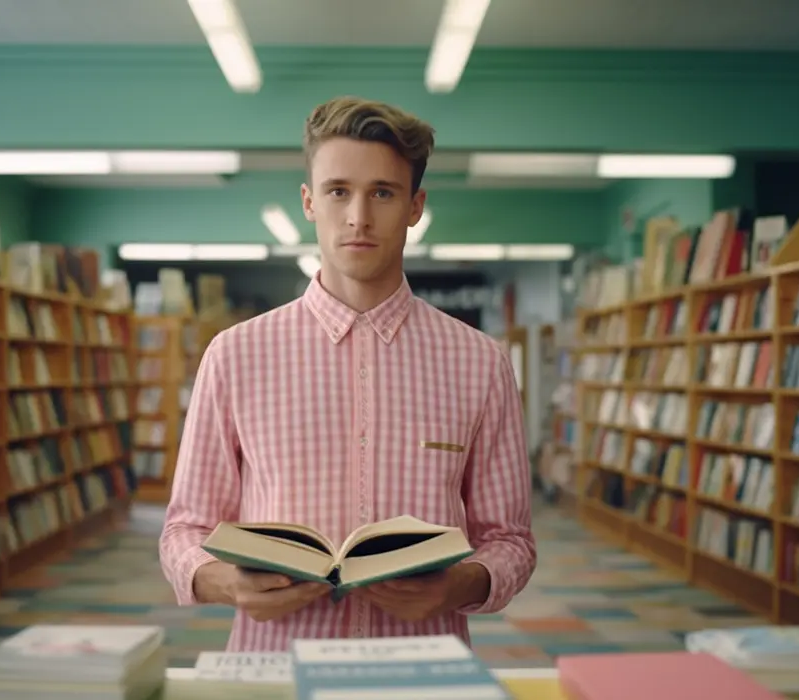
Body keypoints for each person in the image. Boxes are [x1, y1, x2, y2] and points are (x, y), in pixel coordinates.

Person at [159, 96, 536, 652]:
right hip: (277, 668)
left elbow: (511, 541)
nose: (358, 216)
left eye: (382, 192)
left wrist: (458, 584)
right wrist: (225, 582)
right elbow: (183, 530)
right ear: (310, 202)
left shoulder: (480, 361)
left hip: (421, 668)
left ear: (415, 206)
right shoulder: (235, 354)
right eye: (339, 191)